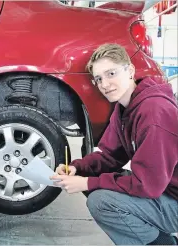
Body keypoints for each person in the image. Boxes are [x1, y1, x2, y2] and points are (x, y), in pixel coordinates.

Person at [51, 43, 178, 245]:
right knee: (93, 180)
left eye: (111, 73)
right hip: (163, 187)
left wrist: (86, 183)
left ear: (131, 71)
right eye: (99, 79)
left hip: (173, 199)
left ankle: (162, 243)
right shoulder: (124, 108)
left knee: (102, 202)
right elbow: (109, 157)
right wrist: (76, 168)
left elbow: (147, 186)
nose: (105, 84)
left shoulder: (154, 112)